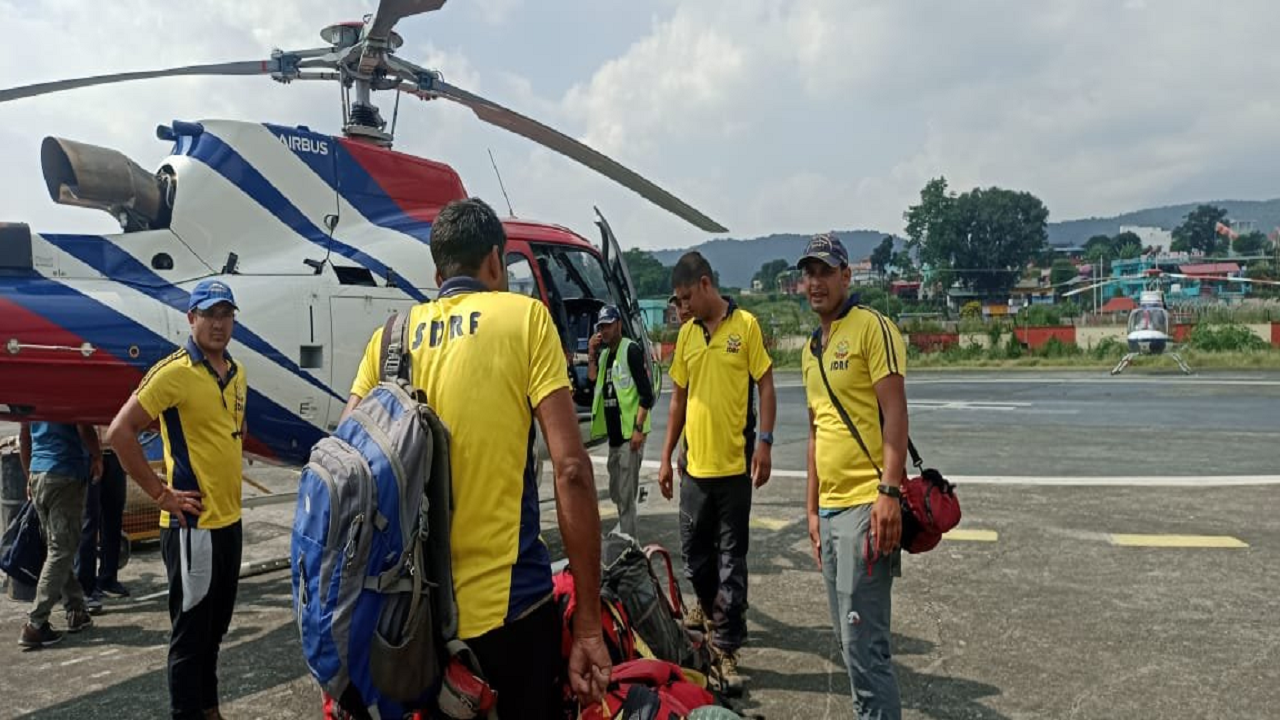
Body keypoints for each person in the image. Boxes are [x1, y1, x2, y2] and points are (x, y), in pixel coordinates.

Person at [342, 197, 610, 718]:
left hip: (412, 623)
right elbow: (572, 471)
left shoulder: (390, 340)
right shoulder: (526, 319)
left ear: (437, 271)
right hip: (510, 616)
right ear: (495, 261)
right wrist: (589, 623)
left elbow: (347, 463)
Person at [106, 278, 248, 720]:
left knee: (216, 629)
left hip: (230, 522)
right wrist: (160, 494)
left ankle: (209, 708)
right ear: (191, 319)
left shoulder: (238, 373)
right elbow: (119, 432)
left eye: (225, 314)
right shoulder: (173, 372)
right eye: (208, 314)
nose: (218, 324)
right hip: (192, 528)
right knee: (190, 635)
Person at [798, 233, 908, 718]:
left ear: (847, 276)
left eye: (826, 271)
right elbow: (816, 433)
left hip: (867, 506)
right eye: (809, 273)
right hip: (830, 510)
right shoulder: (811, 349)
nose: (816, 282)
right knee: (846, 643)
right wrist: (811, 510)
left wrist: (889, 492)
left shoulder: (871, 328)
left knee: (866, 649)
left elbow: (896, 416)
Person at [657, 251, 777, 691]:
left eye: (686, 297)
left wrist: (764, 442)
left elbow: (765, 384)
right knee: (694, 557)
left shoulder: (744, 327)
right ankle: (710, 611)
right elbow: (677, 400)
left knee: (731, 563)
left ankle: (725, 648)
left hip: (733, 472)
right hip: (694, 471)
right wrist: (666, 455)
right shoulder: (687, 337)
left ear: (706, 285)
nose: (681, 307)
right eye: (677, 300)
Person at [17, 421, 101, 648]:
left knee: (59, 548)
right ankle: (35, 624)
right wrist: (97, 456)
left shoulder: (32, 397)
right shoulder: (68, 392)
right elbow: (84, 427)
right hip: (66, 472)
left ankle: (76, 609)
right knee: (61, 551)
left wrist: (30, 476)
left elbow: (24, 436)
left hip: (39, 473)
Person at [587, 304, 655, 540]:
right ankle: (626, 536)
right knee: (616, 492)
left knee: (626, 498)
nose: (604, 331)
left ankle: (629, 546)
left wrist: (638, 429)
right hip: (614, 439)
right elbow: (594, 380)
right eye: (601, 327)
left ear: (618, 324)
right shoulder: (606, 355)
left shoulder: (630, 350)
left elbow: (647, 394)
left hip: (629, 437)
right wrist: (592, 355)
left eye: (607, 326)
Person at [76, 437, 131, 613]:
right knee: (89, 522)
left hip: (115, 452)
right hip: (89, 455)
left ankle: (108, 577)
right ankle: (85, 586)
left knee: (113, 517)